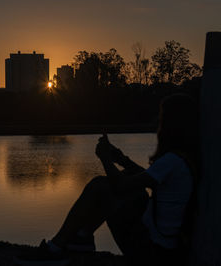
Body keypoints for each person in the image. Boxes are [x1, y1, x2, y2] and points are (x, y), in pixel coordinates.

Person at [15, 94, 199, 266]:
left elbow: (119, 187)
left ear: (170, 126)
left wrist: (105, 158)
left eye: (162, 118)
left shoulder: (171, 161)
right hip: (168, 247)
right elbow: (147, 178)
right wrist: (121, 159)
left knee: (100, 186)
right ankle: (82, 238)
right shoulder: (184, 158)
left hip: (152, 252)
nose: (158, 123)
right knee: (129, 184)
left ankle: (56, 247)